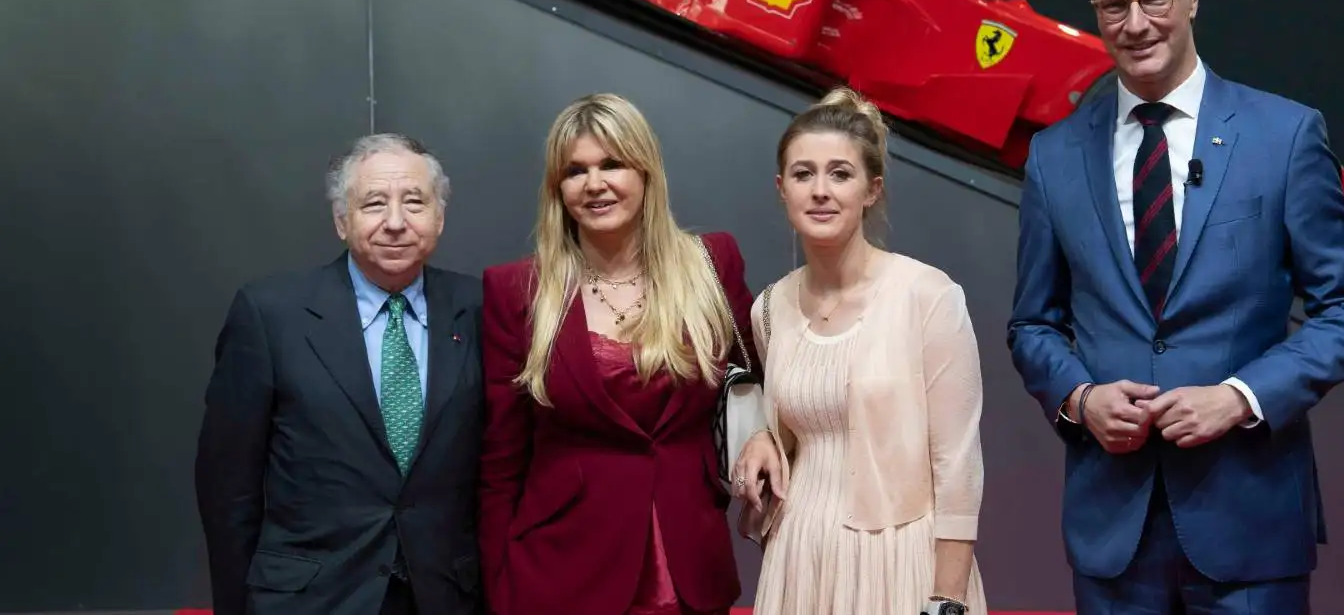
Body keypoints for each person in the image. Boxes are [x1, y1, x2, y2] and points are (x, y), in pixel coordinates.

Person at [1007, 0, 1344, 614]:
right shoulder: (1055, 157)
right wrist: (1081, 399)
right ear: (1094, 8)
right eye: (1114, 4)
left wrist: (1241, 398)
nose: (1137, 23)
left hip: (1248, 517)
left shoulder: (1285, 136)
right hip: (1111, 529)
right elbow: (1032, 325)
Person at [477, 92, 757, 615]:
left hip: (691, 565)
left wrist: (762, 431)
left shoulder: (712, 263)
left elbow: (757, 377)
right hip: (561, 574)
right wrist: (498, 590)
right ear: (557, 189)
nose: (594, 183)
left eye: (612, 164)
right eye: (575, 171)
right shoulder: (517, 290)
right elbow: (501, 461)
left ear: (646, 171)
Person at [194, 133, 485, 615]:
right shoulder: (272, 314)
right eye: (374, 203)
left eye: (414, 202)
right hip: (310, 599)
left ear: (439, 216)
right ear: (340, 221)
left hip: (447, 595)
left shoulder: (482, 310)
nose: (395, 222)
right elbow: (228, 487)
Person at [733, 87, 987, 615]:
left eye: (840, 174)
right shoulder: (770, 307)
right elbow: (793, 426)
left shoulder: (927, 295)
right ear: (782, 188)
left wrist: (948, 599)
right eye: (804, 174)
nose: (821, 191)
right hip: (799, 555)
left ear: (871, 190)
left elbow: (958, 464)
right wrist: (760, 433)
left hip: (899, 561)